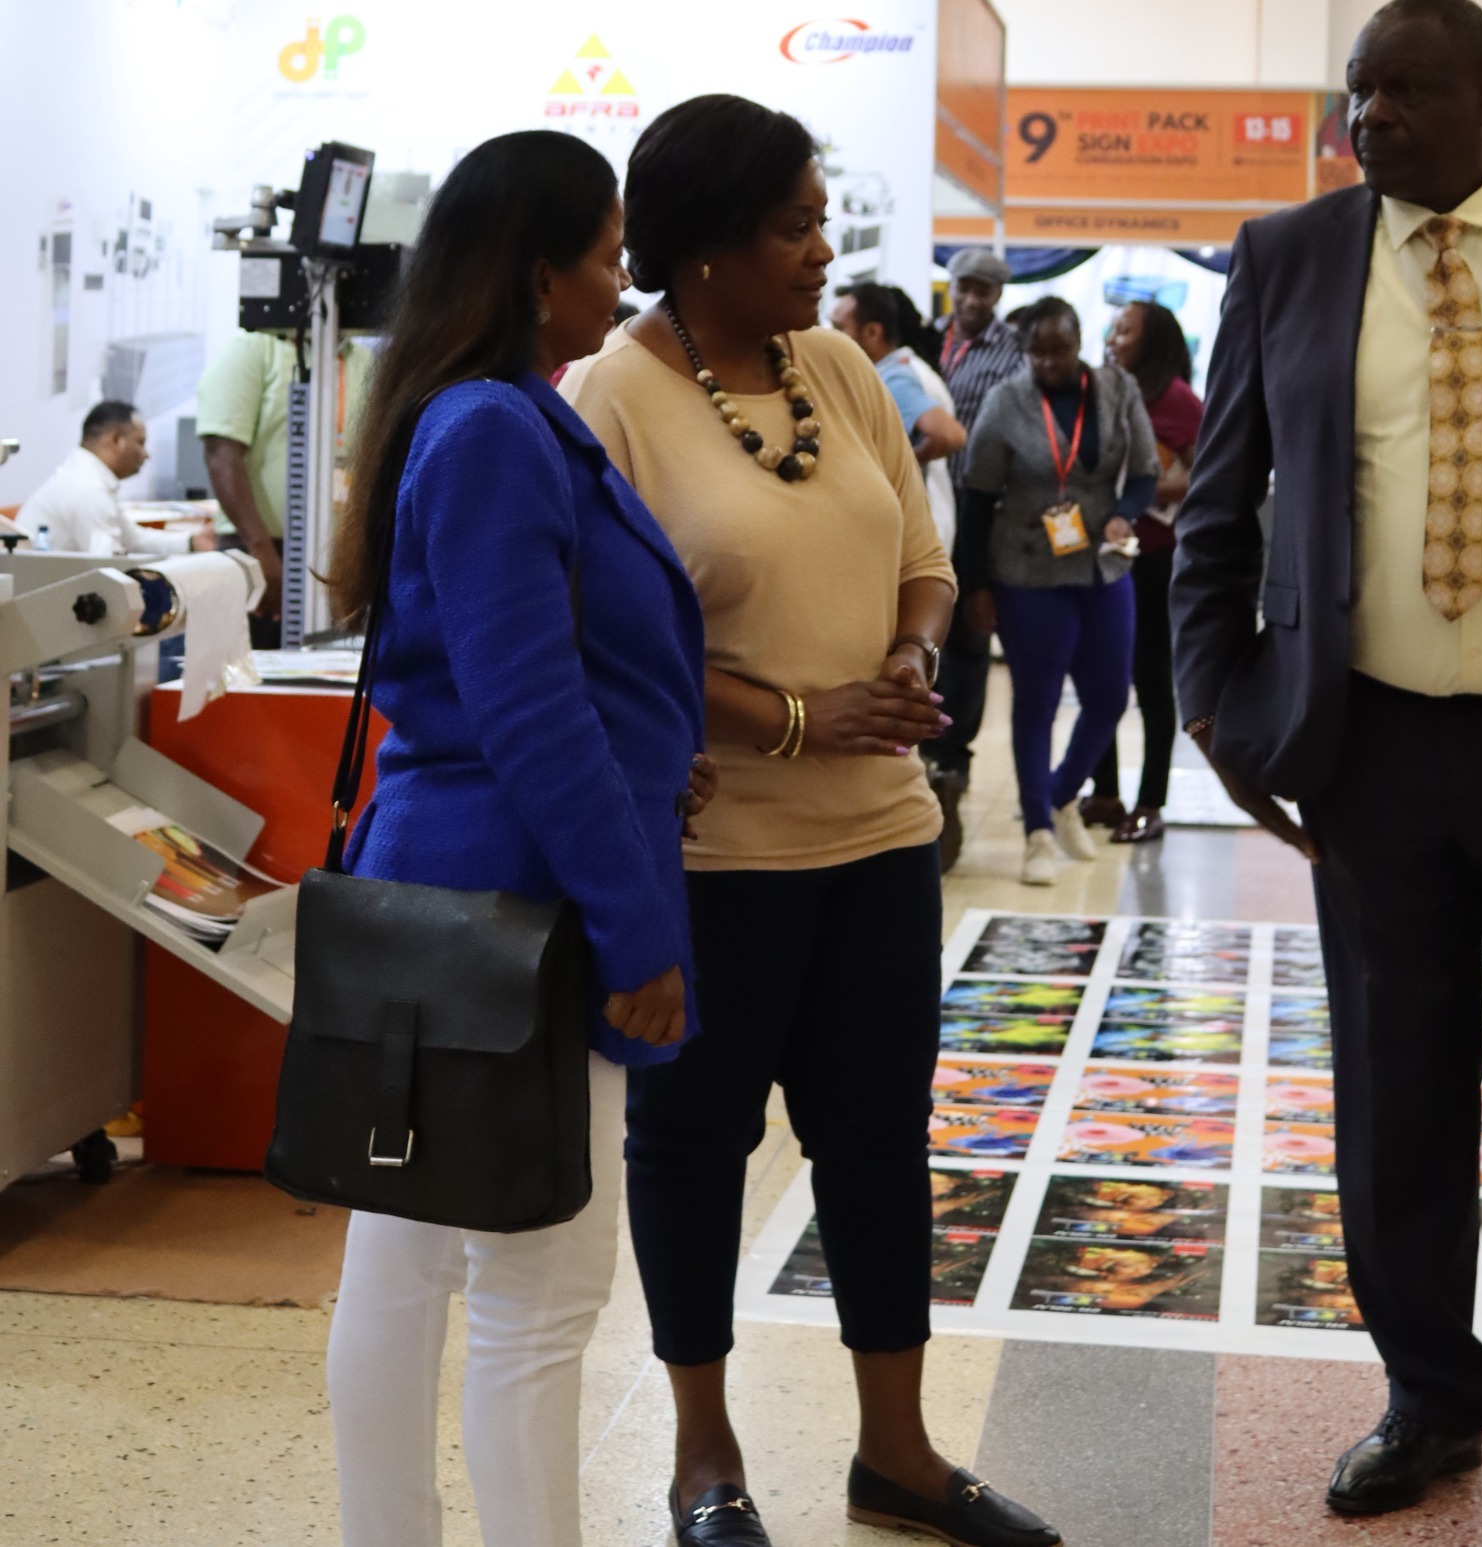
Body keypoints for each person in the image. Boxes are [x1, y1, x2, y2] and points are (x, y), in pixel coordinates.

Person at [562, 94, 1060, 1547]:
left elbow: (922, 554)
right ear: (705, 245)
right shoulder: (612, 399)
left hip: (879, 842)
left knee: (879, 1141)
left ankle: (896, 1450)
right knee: (693, 1147)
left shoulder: (838, 367)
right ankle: (702, 1458)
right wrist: (795, 718)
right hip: (716, 859)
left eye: (820, 219)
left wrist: (906, 657)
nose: (823, 250)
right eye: (794, 225)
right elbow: (609, 649)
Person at [1170, 1, 1482, 1537]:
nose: (1373, 118)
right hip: (1374, 755)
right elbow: (1219, 499)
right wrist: (1213, 705)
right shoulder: (1287, 255)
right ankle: (1431, 1395)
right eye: (1358, 93)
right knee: (1397, 1096)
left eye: (1408, 90)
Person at [318, 130, 713, 1547]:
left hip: (459, 893)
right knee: (538, 1291)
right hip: (522, 907)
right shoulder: (494, 427)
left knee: (409, 1259)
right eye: (605, 258)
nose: (622, 285)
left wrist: (659, 758)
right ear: (538, 274)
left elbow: (551, 679)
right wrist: (638, 930)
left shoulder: (486, 413)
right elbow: (529, 705)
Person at [961, 298, 1160, 887]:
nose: (1049, 362)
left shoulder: (1117, 389)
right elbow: (976, 498)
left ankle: (1060, 794)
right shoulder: (1006, 401)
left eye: (1060, 350)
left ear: (1079, 343)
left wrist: (1124, 514)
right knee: (1037, 701)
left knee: (1109, 697)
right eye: (1038, 352)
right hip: (1027, 569)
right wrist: (976, 585)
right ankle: (1037, 834)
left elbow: (1145, 471)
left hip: (1102, 564)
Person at [1084, 302, 1205, 843]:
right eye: (1112, 330)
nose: (1113, 339)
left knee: (1152, 680)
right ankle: (1105, 793)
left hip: (1155, 559)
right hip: (1104, 555)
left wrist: (1143, 491)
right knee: (1100, 674)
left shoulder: (1177, 399)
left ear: (1151, 340)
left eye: (1124, 331)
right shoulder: (1102, 390)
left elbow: (1207, 474)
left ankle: (1150, 803)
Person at [921, 248, 1025, 866]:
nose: (971, 299)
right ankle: (922, 749)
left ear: (998, 295)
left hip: (979, 505)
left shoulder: (1014, 353)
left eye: (983, 290)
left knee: (968, 630)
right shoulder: (928, 340)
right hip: (925, 502)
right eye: (964, 286)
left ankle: (953, 760)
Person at [196, 331, 372, 647]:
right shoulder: (253, 350)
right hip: (259, 551)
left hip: (334, 556)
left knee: (325, 668)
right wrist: (260, 549)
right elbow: (221, 455)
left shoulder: (363, 360)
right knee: (247, 671)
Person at [831, 281, 966, 552]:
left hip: (911, 534)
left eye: (839, 328)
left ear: (872, 332)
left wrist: (892, 470)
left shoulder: (894, 379)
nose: (830, 337)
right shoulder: (900, 369)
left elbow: (950, 435)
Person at [15, 401, 216, 556]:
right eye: (140, 442)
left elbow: (133, 540)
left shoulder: (87, 478)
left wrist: (192, 542)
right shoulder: (87, 489)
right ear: (116, 439)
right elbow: (109, 563)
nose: (146, 454)